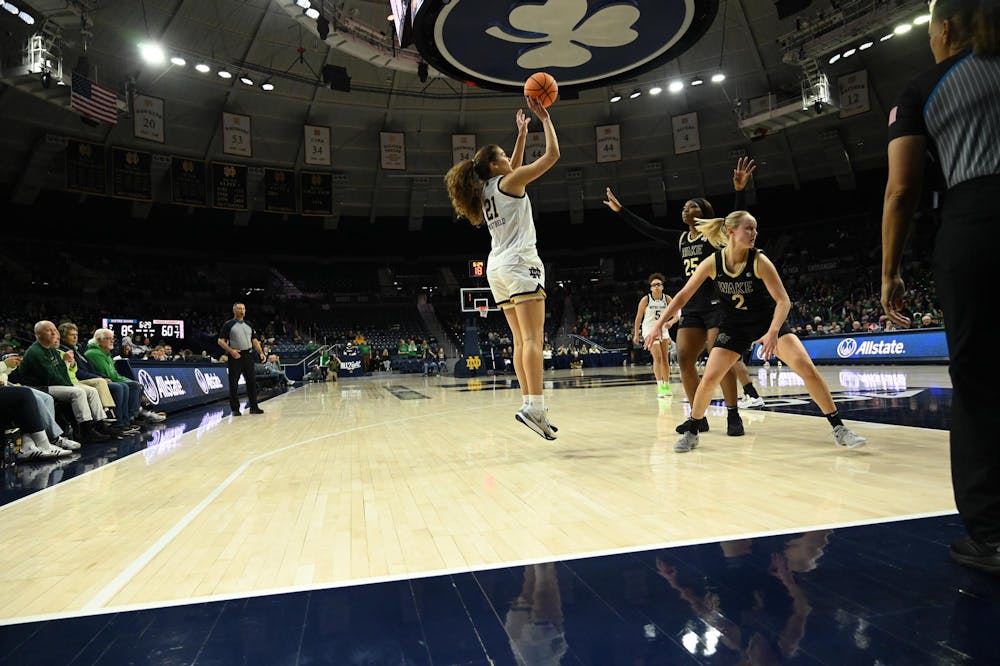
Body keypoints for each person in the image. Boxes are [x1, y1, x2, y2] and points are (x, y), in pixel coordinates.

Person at [880, 0, 1000, 575]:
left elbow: (901, 190)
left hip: (978, 220)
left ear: (945, 28)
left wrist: (890, 270)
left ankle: (992, 537)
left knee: (977, 384)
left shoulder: (925, 85)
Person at [645, 210, 867, 452]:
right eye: (749, 228)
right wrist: (658, 325)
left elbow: (783, 301)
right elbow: (682, 296)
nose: (754, 233)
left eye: (755, 228)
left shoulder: (759, 261)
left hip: (766, 322)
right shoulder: (713, 262)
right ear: (731, 232)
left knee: (806, 368)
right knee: (709, 378)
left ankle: (839, 428)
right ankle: (693, 431)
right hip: (734, 325)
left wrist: (773, 332)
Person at [604, 157, 763, 437]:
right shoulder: (680, 239)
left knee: (719, 358)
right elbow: (649, 229)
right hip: (693, 307)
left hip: (718, 304)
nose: (685, 208)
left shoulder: (715, 234)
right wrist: (621, 211)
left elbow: (738, 223)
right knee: (685, 360)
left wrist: (739, 190)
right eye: (685, 206)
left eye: (692, 206)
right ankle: (697, 416)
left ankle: (732, 413)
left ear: (703, 212)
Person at [444, 96, 560, 440]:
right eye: (505, 157)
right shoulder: (509, 182)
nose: (510, 159)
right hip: (520, 263)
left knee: (519, 339)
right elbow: (552, 156)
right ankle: (535, 406)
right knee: (533, 339)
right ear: (494, 165)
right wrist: (545, 119)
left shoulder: (488, 189)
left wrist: (522, 134)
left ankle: (530, 403)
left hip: (497, 267)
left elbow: (515, 168)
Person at [633, 273, 679, 399]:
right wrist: (636, 334)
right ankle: (660, 386)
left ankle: (666, 385)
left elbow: (677, 314)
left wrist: (671, 322)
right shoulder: (646, 299)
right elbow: (638, 318)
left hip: (663, 330)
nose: (657, 287)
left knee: (665, 359)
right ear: (651, 288)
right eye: (654, 285)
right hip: (649, 330)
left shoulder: (667, 298)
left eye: (659, 284)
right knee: (657, 357)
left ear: (662, 286)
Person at [217, 303, 266, 416]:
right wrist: (231, 351)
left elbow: (254, 340)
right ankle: (235, 409)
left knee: (251, 382)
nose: (242, 310)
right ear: (234, 310)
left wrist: (261, 353)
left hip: (248, 355)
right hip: (235, 356)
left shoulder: (249, 324)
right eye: (239, 308)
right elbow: (220, 341)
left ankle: (254, 407)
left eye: (244, 308)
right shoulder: (228, 324)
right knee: (233, 383)